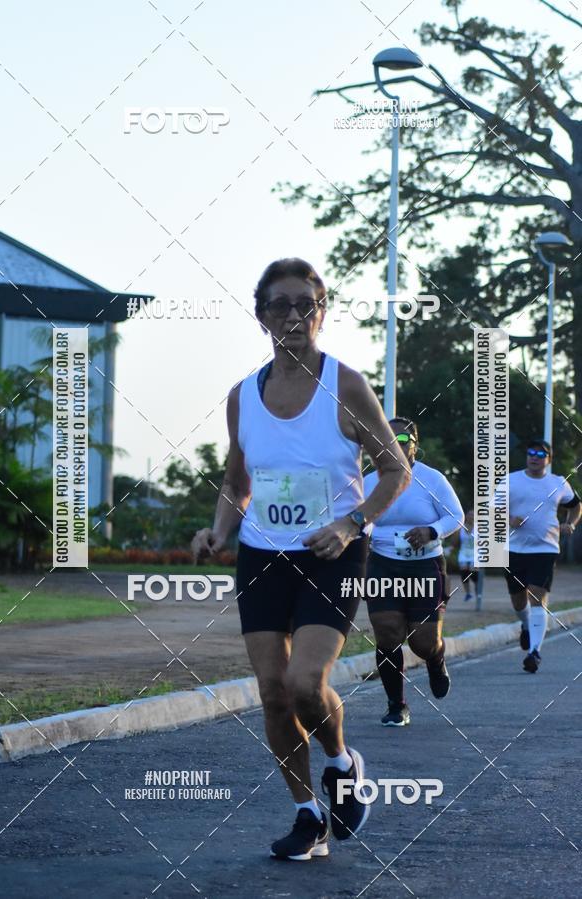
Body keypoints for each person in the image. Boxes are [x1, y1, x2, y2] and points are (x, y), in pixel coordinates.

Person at [191, 258, 410, 861]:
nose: (293, 315)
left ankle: (342, 764)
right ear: (261, 315)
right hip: (262, 554)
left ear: (322, 311)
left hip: (331, 554)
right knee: (272, 694)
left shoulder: (346, 385)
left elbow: (396, 469)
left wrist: (352, 523)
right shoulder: (243, 397)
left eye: (305, 304)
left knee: (305, 684)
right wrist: (217, 531)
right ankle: (307, 814)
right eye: (280, 305)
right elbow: (237, 483)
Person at [363, 418, 464, 726]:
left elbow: (456, 516)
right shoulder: (368, 481)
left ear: (414, 444)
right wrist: (362, 531)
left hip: (424, 565)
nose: (395, 442)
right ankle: (397, 706)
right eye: (387, 437)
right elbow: (355, 517)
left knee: (422, 642)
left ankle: (436, 658)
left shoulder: (431, 479)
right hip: (382, 563)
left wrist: (431, 531)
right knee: (388, 633)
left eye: (403, 437)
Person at [504, 439, 581, 673]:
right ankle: (527, 626)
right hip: (515, 549)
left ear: (548, 459)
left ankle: (534, 652)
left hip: (545, 548)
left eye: (540, 453)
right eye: (531, 453)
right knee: (519, 600)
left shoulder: (558, 483)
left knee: (538, 597)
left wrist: (571, 524)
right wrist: (509, 520)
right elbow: (491, 508)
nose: (534, 457)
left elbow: (576, 505)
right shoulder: (511, 480)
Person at [457, 509, 483, 609]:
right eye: (469, 515)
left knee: (474, 574)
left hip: (475, 553)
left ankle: (478, 594)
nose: (471, 517)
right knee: (464, 572)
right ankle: (468, 593)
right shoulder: (461, 528)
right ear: (466, 516)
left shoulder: (479, 528)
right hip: (463, 552)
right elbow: (455, 542)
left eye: (473, 515)